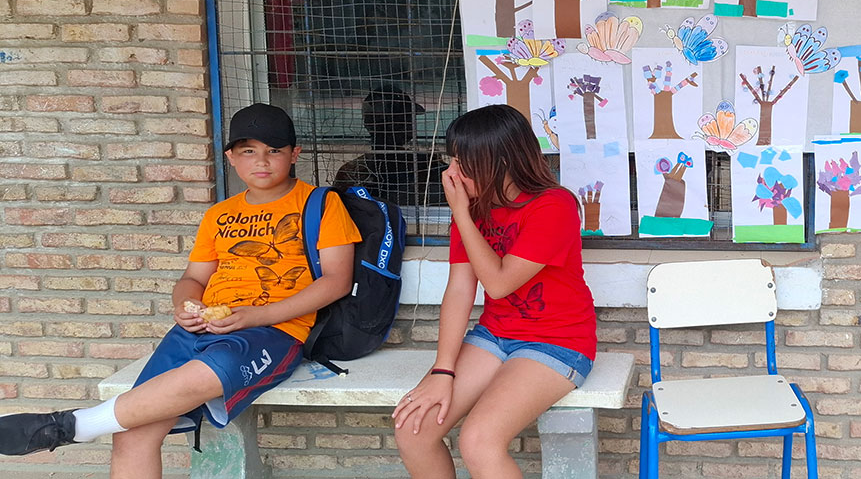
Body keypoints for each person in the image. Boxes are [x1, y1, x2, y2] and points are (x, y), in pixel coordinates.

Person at [0, 104, 362, 477]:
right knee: (132, 433)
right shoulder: (219, 215)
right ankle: (79, 425)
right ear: (231, 158)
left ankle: (75, 425)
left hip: (274, 329)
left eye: (274, 150)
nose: (262, 161)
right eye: (248, 151)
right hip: (202, 327)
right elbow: (194, 279)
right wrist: (185, 305)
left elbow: (336, 281)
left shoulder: (321, 204)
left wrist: (260, 315)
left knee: (212, 370)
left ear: (294, 154)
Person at [393, 104, 596, 479]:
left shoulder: (554, 205)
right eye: (452, 160)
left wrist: (461, 215)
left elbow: (499, 284)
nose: (451, 174)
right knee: (413, 429)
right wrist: (443, 370)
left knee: (479, 441)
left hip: (557, 341)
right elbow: (459, 289)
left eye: (462, 163)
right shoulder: (474, 210)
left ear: (499, 162)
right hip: (495, 336)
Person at [333, 86, 448, 206]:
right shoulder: (421, 164)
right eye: (406, 118)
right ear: (392, 123)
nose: (411, 124)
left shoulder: (423, 162)